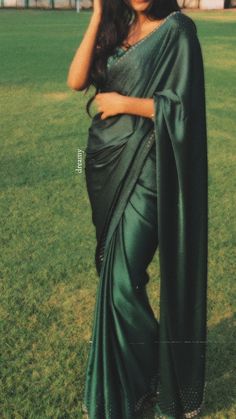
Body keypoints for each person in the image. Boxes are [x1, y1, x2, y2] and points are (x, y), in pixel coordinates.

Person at [67, 0, 208, 418]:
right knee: (113, 273)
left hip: (148, 173)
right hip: (105, 168)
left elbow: (186, 109)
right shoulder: (117, 29)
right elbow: (76, 81)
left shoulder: (178, 30)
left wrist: (127, 105)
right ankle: (139, 376)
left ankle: (153, 376)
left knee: (123, 279)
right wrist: (96, 15)